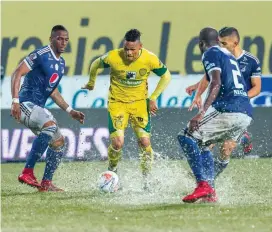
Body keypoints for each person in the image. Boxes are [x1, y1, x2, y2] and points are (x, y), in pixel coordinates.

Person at [82, 29, 171, 189]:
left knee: (145, 142)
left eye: (132, 49)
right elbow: (95, 63)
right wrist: (91, 82)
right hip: (118, 104)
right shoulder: (113, 56)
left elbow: (166, 76)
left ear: (140, 47)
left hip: (139, 105)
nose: (129, 53)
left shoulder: (149, 59)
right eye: (126, 49)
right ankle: (113, 170)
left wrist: (153, 97)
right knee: (117, 143)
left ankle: (147, 180)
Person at [177, 27, 252, 203]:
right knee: (203, 144)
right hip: (246, 113)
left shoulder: (209, 53)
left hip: (229, 110)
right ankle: (210, 192)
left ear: (200, 43)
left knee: (186, 136)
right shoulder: (228, 55)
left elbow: (216, 82)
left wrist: (201, 113)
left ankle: (203, 185)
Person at [10, 25, 85, 192]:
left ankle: (46, 183)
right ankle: (27, 172)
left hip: (37, 107)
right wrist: (15, 101)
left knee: (58, 143)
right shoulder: (40, 55)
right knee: (50, 126)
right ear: (51, 39)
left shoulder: (61, 63)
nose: (63, 42)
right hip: (25, 104)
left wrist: (70, 110)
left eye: (66, 39)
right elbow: (17, 73)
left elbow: (52, 90)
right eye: (59, 38)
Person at [186, 27, 262, 178]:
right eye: (219, 42)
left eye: (224, 43)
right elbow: (209, 77)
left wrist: (238, 98)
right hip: (218, 108)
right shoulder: (221, 55)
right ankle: (203, 177)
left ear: (236, 42)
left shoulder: (251, 61)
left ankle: (210, 177)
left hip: (238, 108)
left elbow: (257, 88)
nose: (220, 45)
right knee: (207, 142)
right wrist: (198, 92)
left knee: (226, 148)